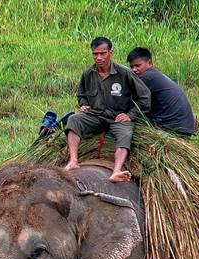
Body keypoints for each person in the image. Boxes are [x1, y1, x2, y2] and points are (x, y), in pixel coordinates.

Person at [62, 37, 151, 183]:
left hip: (117, 117)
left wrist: (130, 115)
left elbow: (145, 96)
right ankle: (73, 161)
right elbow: (81, 94)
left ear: (111, 53)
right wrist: (83, 104)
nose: (98, 57)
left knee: (125, 134)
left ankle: (116, 170)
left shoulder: (124, 73)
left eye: (102, 53)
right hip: (96, 115)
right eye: (95, 54)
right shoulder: (88, 74)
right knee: (73, 120)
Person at [126, 47, 196, 136]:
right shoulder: (155, 74)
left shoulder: (146, 77)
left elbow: (129, 101)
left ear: (149, 62)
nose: (134, 70)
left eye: (138, 66)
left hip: (173, 129)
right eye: (131, 67)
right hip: (184, 127)